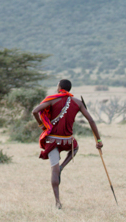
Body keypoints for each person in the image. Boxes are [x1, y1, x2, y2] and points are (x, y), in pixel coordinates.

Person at [31, 79, 102, 209]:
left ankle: (58, 201)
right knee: (75, 148)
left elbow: (35, 111)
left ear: (59, 88)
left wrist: (41, 124)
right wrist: (98, 141)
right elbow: (91, 121)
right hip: (67, 140)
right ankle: (63, 166)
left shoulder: (52, 99)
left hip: (52, 140)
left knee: (54, 169)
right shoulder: (78, 102)